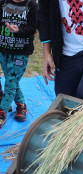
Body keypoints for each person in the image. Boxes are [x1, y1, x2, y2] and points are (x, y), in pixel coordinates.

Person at [0, 0, 37, 129]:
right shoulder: (3, 2)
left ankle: (2, 111)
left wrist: (18, 30)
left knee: (10, 83)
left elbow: (32, 28)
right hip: (3, 51)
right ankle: (21, 105)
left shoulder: (32, 5)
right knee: (13, 82)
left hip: (21, 52)